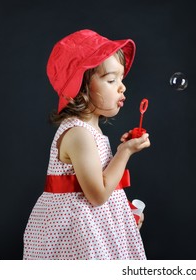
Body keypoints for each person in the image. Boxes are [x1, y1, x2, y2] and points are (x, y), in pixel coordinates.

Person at [23, 29, 150, 260]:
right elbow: (98, 194)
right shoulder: (79, 134)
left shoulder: (90, 131)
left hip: (90, 232)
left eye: (121, 79)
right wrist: (125, 152)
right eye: (112, 80)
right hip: (76, 240)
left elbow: (98, 192)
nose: (122, 87)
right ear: (80, 90)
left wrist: (120, 216)